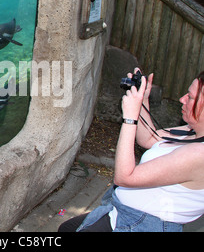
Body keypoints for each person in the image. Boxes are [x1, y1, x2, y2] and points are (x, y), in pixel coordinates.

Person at [59, 69, 204, 232]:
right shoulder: (193, 132)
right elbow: (150, 139)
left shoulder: (199, 154)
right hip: (122, 212)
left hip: (142, 225)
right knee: (67, 228)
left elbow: (125, 177)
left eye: (190, 97)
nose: (182, 99)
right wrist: (142, 101)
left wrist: (130, 119)